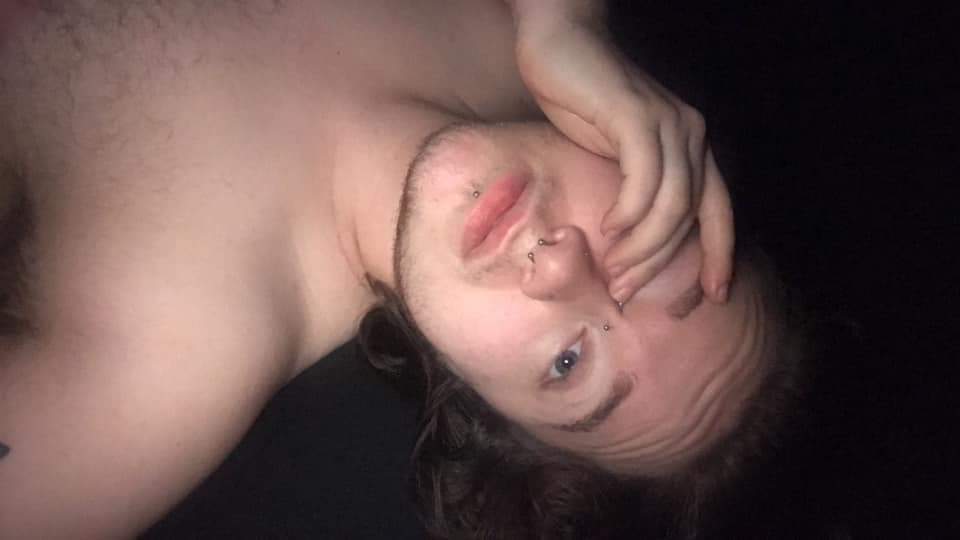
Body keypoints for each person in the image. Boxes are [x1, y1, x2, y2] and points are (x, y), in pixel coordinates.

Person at [0, 0, 792, 537]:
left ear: (481, 414)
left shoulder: (170, 363)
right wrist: (566, 23)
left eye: (568, 362)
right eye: (647, 256)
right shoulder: (528, 29)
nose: (559, 266)